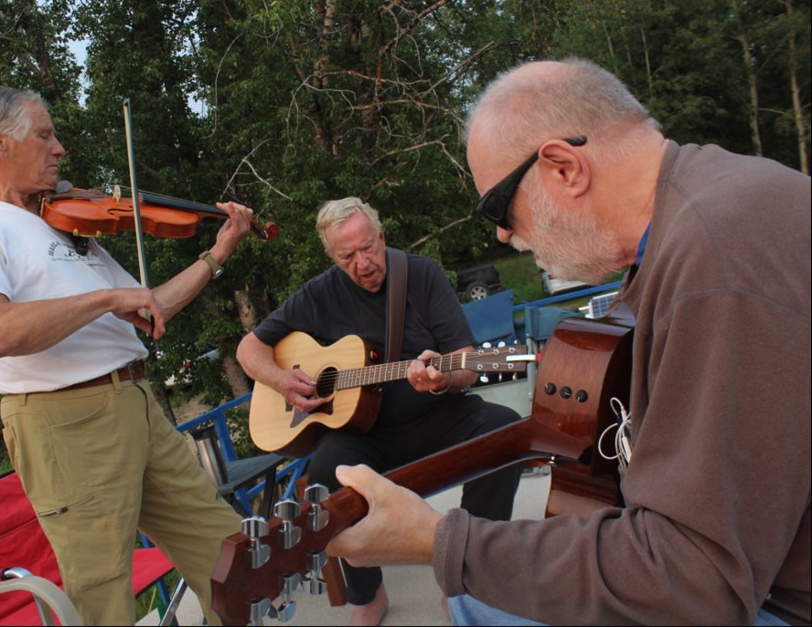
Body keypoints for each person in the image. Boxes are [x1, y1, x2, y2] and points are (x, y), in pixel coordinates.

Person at [325, 57, 811, 625]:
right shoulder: (709, 201)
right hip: (758, 569)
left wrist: (435, 540)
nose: (503, 233)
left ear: (563, 168)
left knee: (473, 605)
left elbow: (698, 580)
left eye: (497, 208)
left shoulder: (717, 264)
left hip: (776, 600)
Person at [0, 86, 253, 625]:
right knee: (102, 589)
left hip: (136, 401)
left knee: (225, 549)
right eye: (44, 134)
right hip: (65, 422)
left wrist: (217, 253)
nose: (59, 148)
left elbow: (152, 308)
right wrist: (105, 298)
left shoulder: (69, 226)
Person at [235, 197, 524, 626]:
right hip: (364, 435)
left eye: (368, 248)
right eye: (346, 256)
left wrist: (444, 378)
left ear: (382, 237)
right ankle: (367, 594)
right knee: (327, 471)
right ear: (332, 256)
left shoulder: (421, 274)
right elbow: (249, 348)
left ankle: (466, 579)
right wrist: (281, 381)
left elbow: (465, 358)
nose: (362, 263)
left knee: (506, 433)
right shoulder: (319, 293)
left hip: (436, 418)